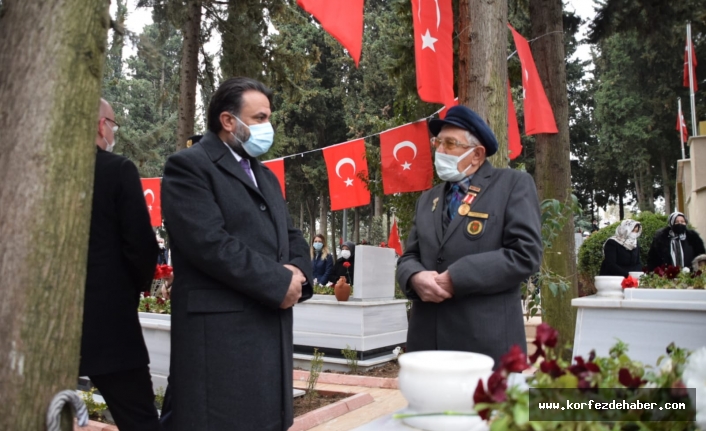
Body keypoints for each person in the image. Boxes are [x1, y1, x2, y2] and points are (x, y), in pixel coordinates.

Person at [161, 77, 313, 431]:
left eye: (268, 118)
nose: (267, 127)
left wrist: (299, 274)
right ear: (229, 121)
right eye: (259, 118)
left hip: (268, 338)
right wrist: (278, 282)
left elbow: (291, 237)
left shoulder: (266, 176)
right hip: (221, 343)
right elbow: (210, 244)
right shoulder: (190, 166)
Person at [396, 105, 543, 367]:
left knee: (487, 411)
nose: (439, 151)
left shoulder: (511, 185)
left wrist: (458, 277)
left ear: (476, 155)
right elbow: (410, 255)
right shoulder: (428, 198)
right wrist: (414, 277)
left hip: (487, 345)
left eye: (450, 144)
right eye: (437, 142)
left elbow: (525, 253)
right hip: (428, 346)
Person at [79, 99, 161, 431]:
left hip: (49, 319)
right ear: (101, 125)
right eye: (113, 124)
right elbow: (141, 245)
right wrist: (132, 287)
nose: (113, 131)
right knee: (138, 417)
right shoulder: (116, 169)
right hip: (108, 319)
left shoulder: (42, 171)